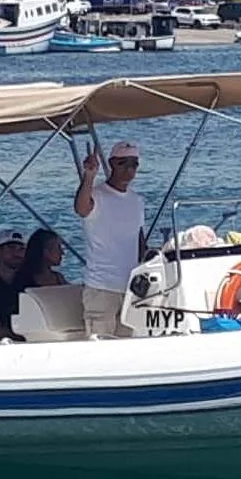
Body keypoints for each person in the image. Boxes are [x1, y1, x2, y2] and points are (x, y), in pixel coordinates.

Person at [73, 141, 146, 338]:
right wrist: (89, 175)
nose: (129, 169)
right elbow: (81, 208)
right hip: (101, 287)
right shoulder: (97, 195)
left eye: (134, 164)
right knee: (100, 349)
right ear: (112, 163)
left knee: (128, 348)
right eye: (123, 163)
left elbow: (140, 241)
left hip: (131, 288)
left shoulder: (137, 201)